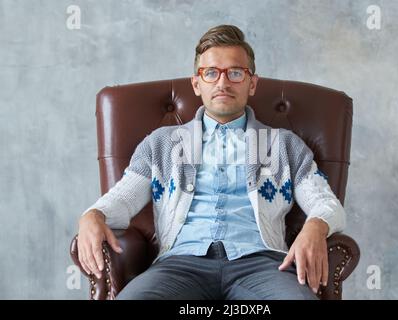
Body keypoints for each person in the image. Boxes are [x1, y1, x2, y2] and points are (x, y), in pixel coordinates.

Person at [77, 24, 346, 300]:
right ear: (197, 83)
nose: (223, 83)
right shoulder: (161, 144)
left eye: (236, 73)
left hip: (263, 266)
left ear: (252, 83)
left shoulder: (284, 145)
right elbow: (122, 199)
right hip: (179, 266)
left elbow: (327, 205)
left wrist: (316, 226)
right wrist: (93, 216)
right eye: (211, 73)